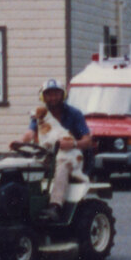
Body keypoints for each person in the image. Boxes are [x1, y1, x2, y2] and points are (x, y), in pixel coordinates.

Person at [24, 79, 89, 218]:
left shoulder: (74, 114)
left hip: (70, 156)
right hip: (48, 156)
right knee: (25, 166)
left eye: (56, 94)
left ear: (63, 95)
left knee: (63, 164)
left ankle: (55, 206)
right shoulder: (40, 114)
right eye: (49, 94)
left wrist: (73, 144)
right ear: (43, 97)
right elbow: (30, 133)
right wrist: (20, 141)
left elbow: (88, 140)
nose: (52, 98)